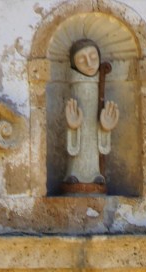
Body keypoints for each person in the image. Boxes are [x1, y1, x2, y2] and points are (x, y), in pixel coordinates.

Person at [63, 38, 119, 192]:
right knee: (80, 148)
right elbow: (68, 118)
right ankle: (74, 173)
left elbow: (101, 123)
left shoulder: (98, 82)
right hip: (78, 131)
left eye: (93, 57)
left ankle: (96, 173)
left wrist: (105, 128)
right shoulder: (74, 86)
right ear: (74, 64)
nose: (89, 63)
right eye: (82, 60)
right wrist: (73, 127)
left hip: (94, 137)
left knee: (92, 144)